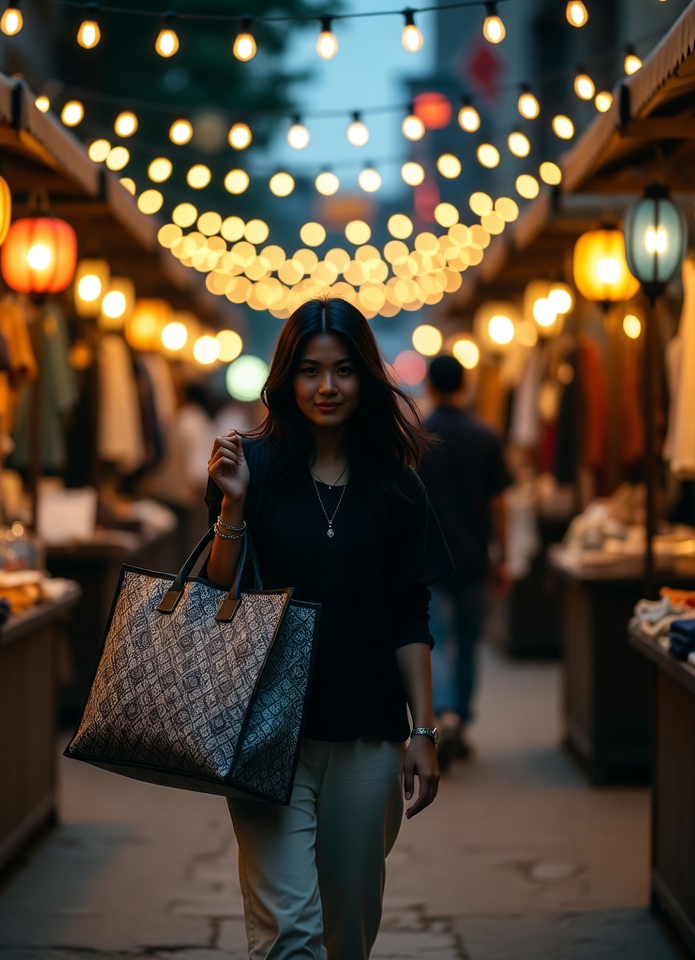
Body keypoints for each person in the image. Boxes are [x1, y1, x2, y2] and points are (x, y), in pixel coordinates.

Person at [205, 297, 452, 960]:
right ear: (287, 378)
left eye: (343, 370)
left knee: (348, 929)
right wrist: (233, 504)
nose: (326, 386)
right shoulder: (251, 466)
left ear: (365, 377)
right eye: (310, 371)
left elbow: (409, 613)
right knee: (289, 932)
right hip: (263, 730)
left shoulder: (397, 486)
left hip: (367, 732)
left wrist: (424, 732)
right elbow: (220, 589)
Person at [418, 354, 512, 770]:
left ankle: (445, 713)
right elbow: (499, 504)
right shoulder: (485, 435)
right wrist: (502, 555)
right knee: (469, 643)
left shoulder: (419, 437)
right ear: (465, 386)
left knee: (435, 638)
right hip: (474, 556)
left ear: (431, 386)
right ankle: (462, 718)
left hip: (430, 559)